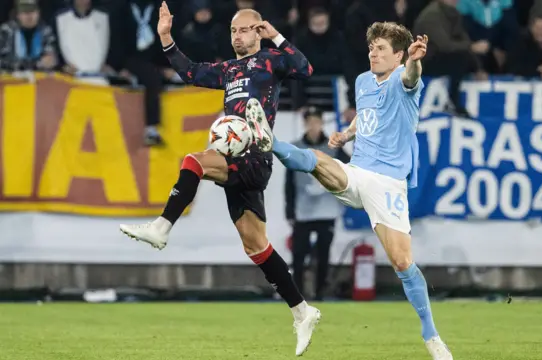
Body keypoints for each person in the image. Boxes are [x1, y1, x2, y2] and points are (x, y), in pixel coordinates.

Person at [119, 2, 320, 356]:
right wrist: (166, 39)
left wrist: (277, 36)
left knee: (194, 160)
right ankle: (303, 311)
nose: (237, 36)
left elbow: (305, 68)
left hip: (254, 154)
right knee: (254, 244)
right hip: (234, 155)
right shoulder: (229, 70)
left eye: (244, 30)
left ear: (257, 31)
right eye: (233, 31)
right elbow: (191, 72)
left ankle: (162, 227)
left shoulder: (271, 60)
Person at [261, 22, 454, 359]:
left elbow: (411, 78)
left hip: (388, 182)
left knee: (402, 262)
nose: (373, 53)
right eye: (371, 48)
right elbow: (366, 115)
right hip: (358, 171)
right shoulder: (363, 82)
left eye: (381, 49)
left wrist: (416, 60)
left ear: (398, 55)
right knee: (318, 162)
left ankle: (432, 336)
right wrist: (347, 135)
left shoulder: (403, 78)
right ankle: (269, 139)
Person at [285, 107, 350, 301]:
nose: (313, 126)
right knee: (298, 254)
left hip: (327, 209)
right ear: (305, 124)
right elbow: (289, 183)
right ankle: (296, 293)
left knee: (323, 254)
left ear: (322, 123)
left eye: (317, 121)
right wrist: (289, 210)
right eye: (310, 122)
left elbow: (350, 169)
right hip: (303, 211)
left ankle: (321, 291)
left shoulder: (334, 148)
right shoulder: (295, 148)